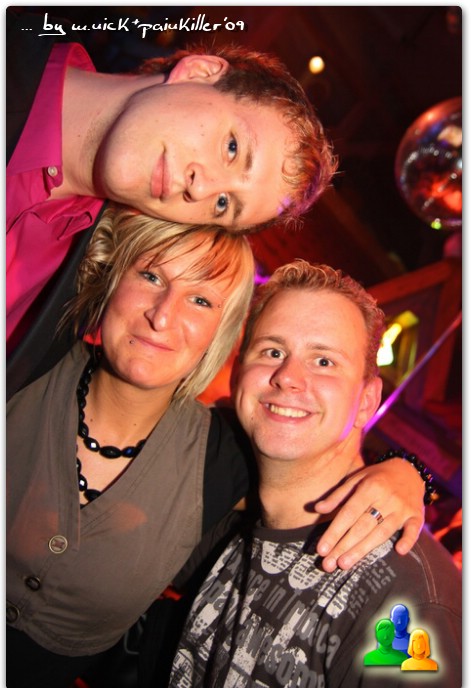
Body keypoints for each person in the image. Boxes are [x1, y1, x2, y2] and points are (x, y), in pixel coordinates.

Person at [7, 209, 427, 688]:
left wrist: (409, 472)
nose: (163, 315)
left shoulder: (223, 457)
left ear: (220, 334)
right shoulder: (26, 353)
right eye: (150, 276)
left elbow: (302, 467)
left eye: (201, 299)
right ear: (113, 278)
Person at [6, 7, 337, 398]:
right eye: (232, 148)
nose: (201, 188)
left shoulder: (77, 292)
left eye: (223, 204)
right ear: (198, 72)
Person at [168, 261, 462, 688]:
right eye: (272, 351)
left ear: (366, 402)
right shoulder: (226, 516)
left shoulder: (406, 595)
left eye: (324, 361)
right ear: (239, 372)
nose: (288, 377)